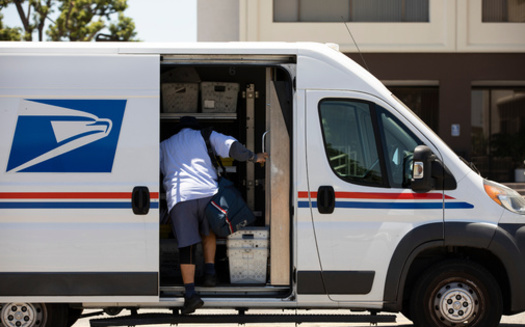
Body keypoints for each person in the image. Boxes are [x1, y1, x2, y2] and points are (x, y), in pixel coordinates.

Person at [159, 116, 268, 315]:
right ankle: (210, 273)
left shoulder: (165, 145)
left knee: (187, 245)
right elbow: (233, 148)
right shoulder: (205, 135)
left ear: (178, 129)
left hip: (180, 197)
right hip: (208, 193)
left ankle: (190, 295)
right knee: (208, 231)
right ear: (194, 127)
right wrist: (255, 157)